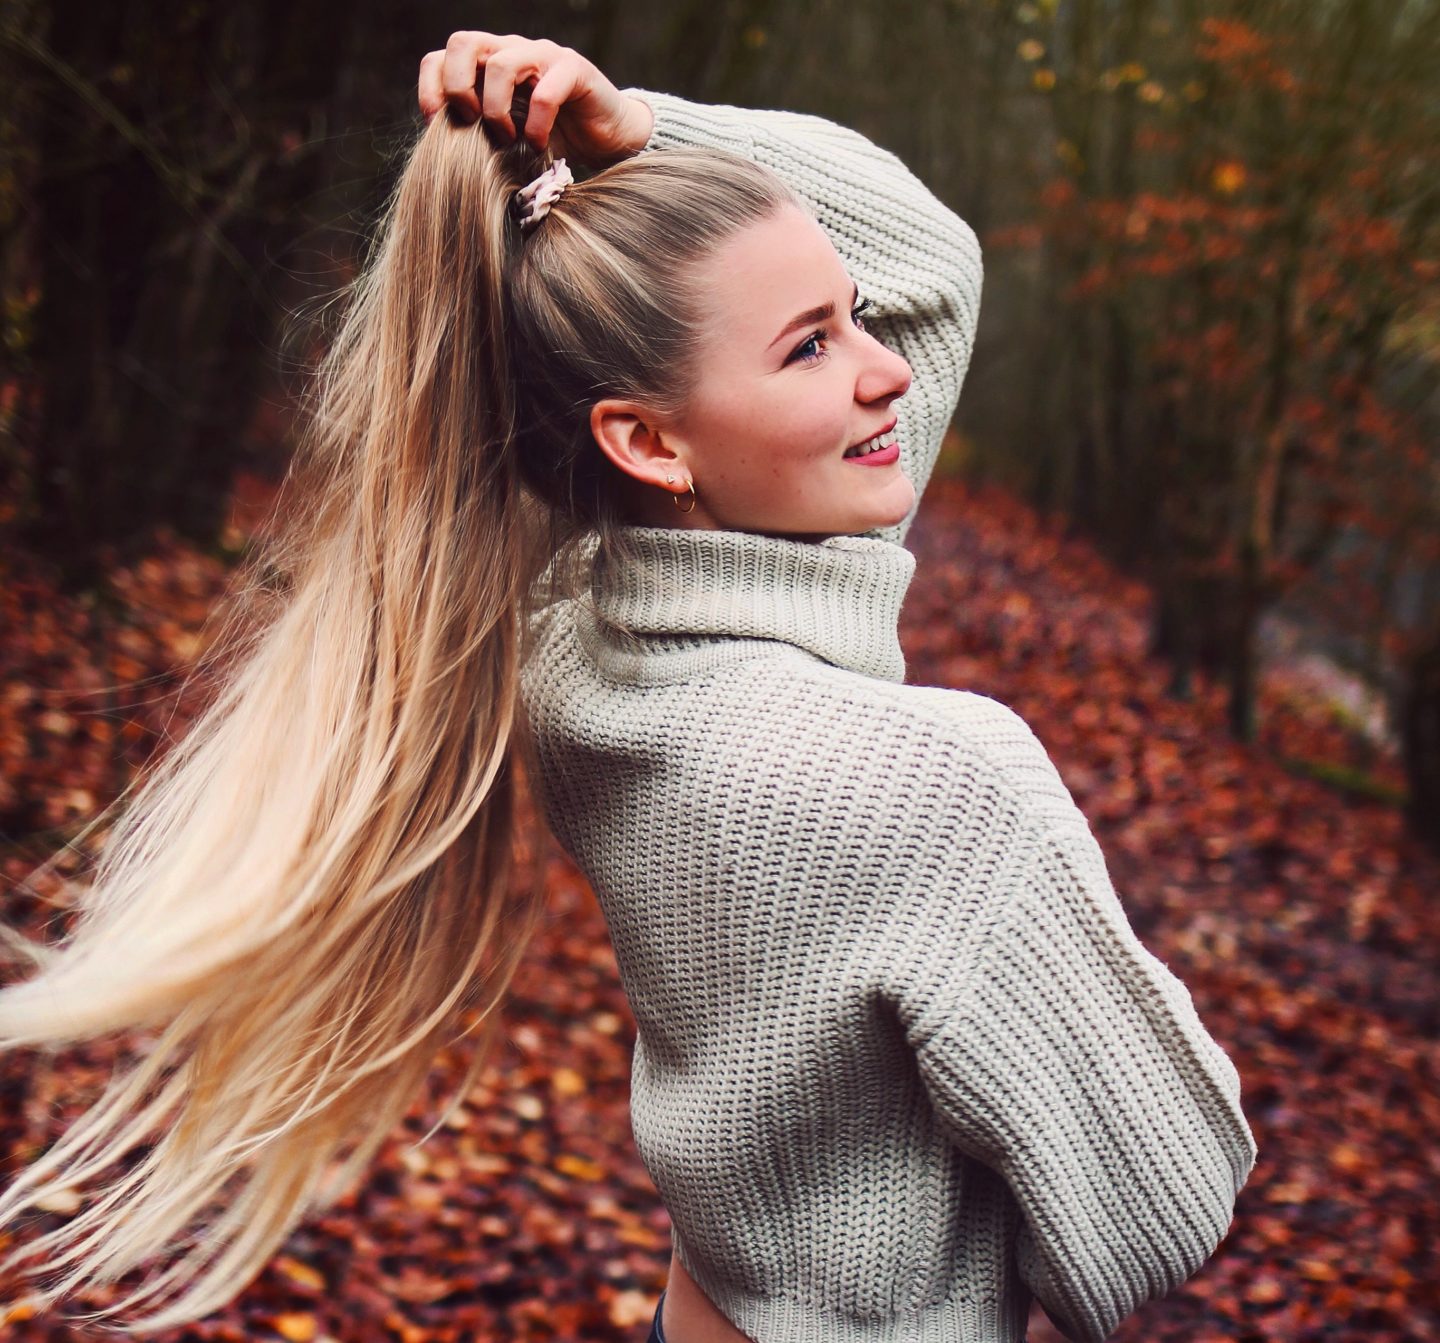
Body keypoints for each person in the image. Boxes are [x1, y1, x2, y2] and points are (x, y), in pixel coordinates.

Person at [0, 28, 1257, 1343]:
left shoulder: (570, 647)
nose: (886, 367)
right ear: (647, 438)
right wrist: (645, 130)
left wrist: (626, 139)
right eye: (809, 350)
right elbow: (1170, 1202)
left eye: (854, 319)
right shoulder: (942, 785)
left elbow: (928, 266)